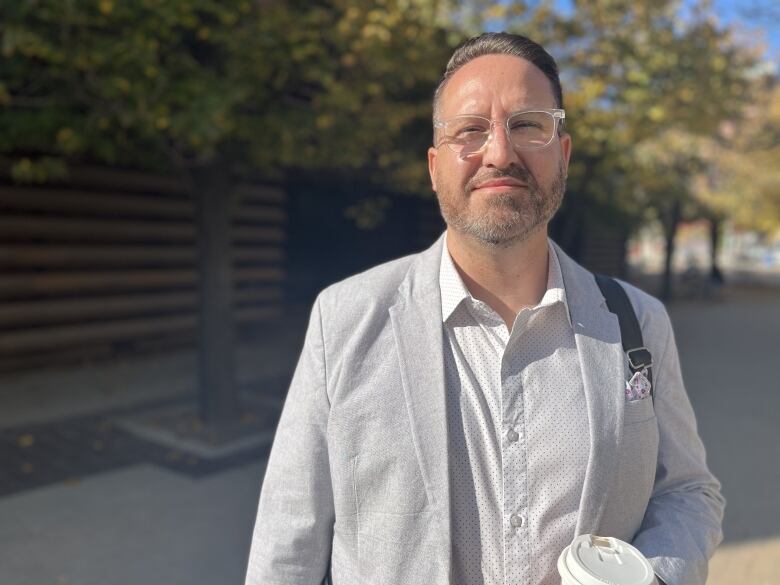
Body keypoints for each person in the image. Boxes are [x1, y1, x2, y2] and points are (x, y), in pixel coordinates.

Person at [245, 32, 724, 585]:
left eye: (528, 124)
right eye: (470, 130)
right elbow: (288, 539)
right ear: (433, 166)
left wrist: (655, 576)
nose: (499, 153)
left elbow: (687, 492)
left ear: (562, 153)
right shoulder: (345, 319)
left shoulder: (638, 323)